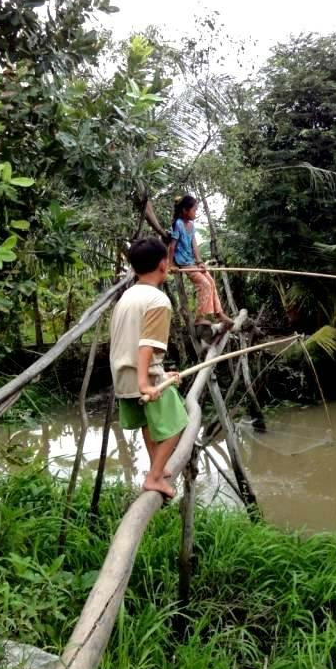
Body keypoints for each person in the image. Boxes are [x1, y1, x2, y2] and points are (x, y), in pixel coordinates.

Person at [110, 237, 187, 498]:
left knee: (148, 422)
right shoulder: (158, 300)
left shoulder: (127, 296)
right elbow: (146, 344)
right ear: (164, 265)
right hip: (143, 376)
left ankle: (158, 467)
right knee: (178, 423)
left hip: (123, 375)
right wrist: (146, 382)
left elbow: (130, 341)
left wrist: (161, 373)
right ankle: (154, 478)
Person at [168, 194, 233, 327]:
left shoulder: (191, 225)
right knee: (204, 284)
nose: (195, 213)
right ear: (185, 210)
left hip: (192, 262)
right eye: (194, 210)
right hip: (184, 264)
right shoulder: (178, 224)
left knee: (211, 282)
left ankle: (219, 313)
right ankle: (200, 317)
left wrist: (200, 262)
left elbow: (195, 245)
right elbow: (172, 246)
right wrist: (171, 264)